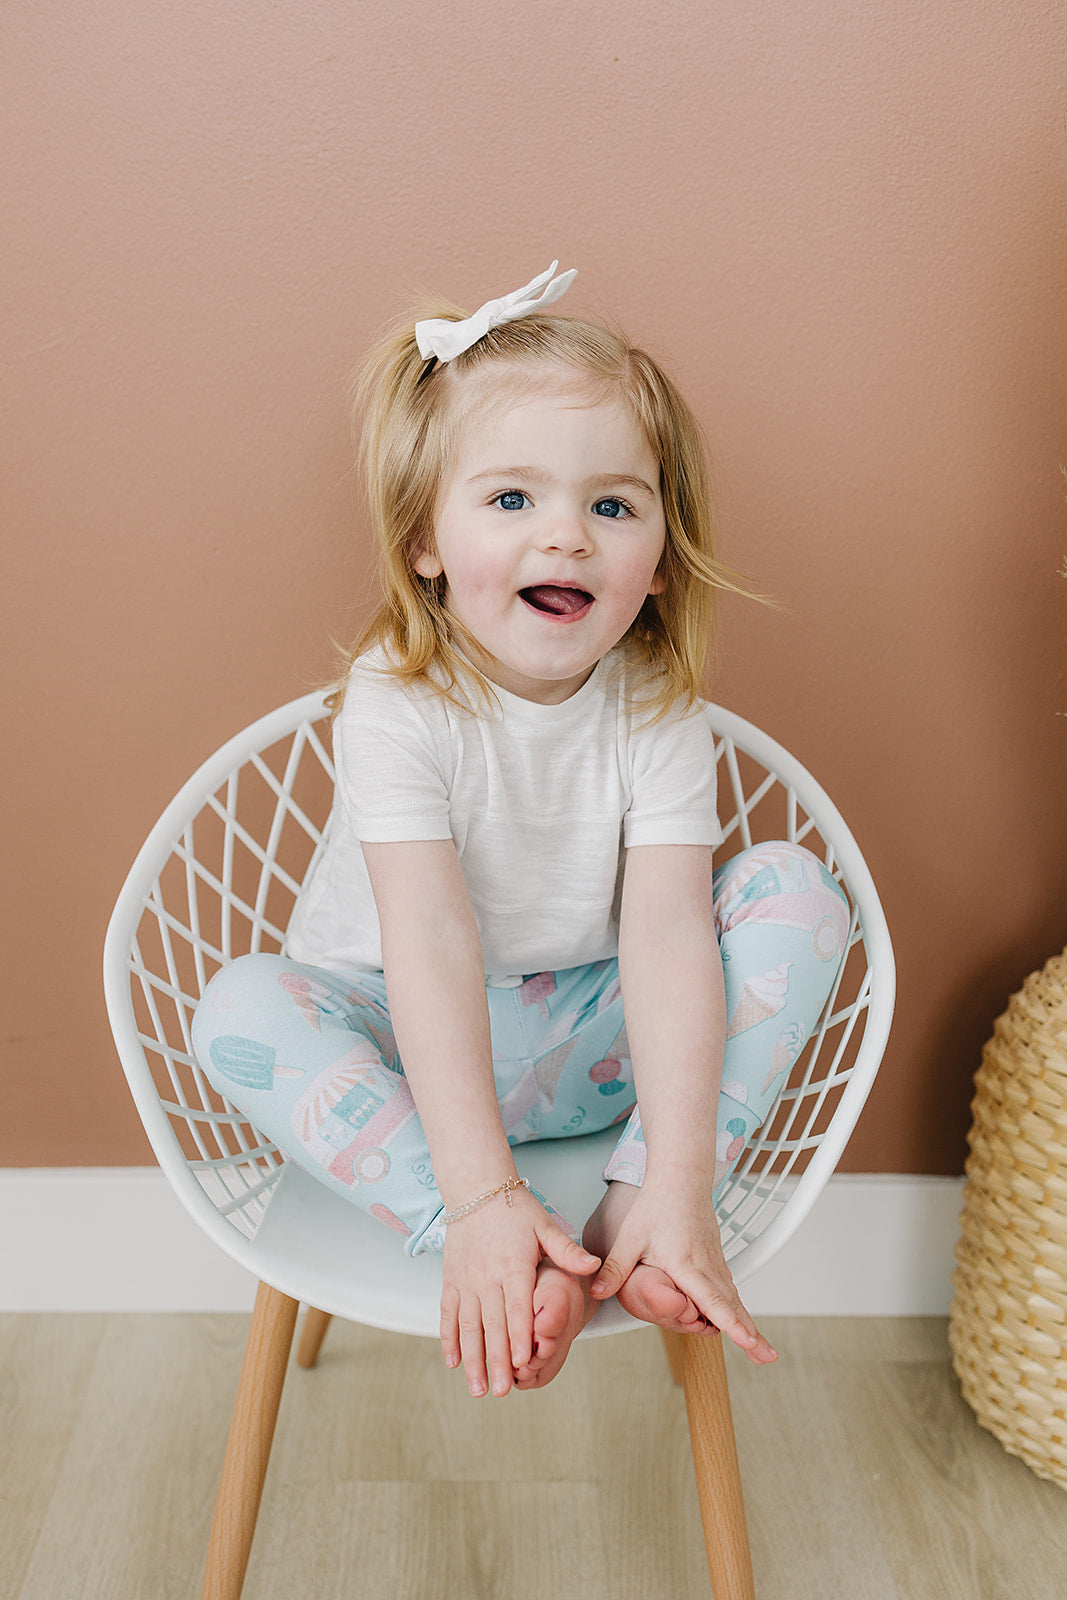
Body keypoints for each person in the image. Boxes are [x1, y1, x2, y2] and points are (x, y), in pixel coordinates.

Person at [192, 262, 850, 1399]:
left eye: (611, 503)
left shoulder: (654, 706)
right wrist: (478, 1190)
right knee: (238, 1010)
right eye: (511, 500)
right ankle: (494, 1232)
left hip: (593, 1050)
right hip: (400, 1047)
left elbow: (663, 941)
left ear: (654, 555)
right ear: (424, 545)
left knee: (796, 886)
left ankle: (642, 1208)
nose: (567, 537)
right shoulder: (399, 702)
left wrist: (683, 1169)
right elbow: (430, 943)